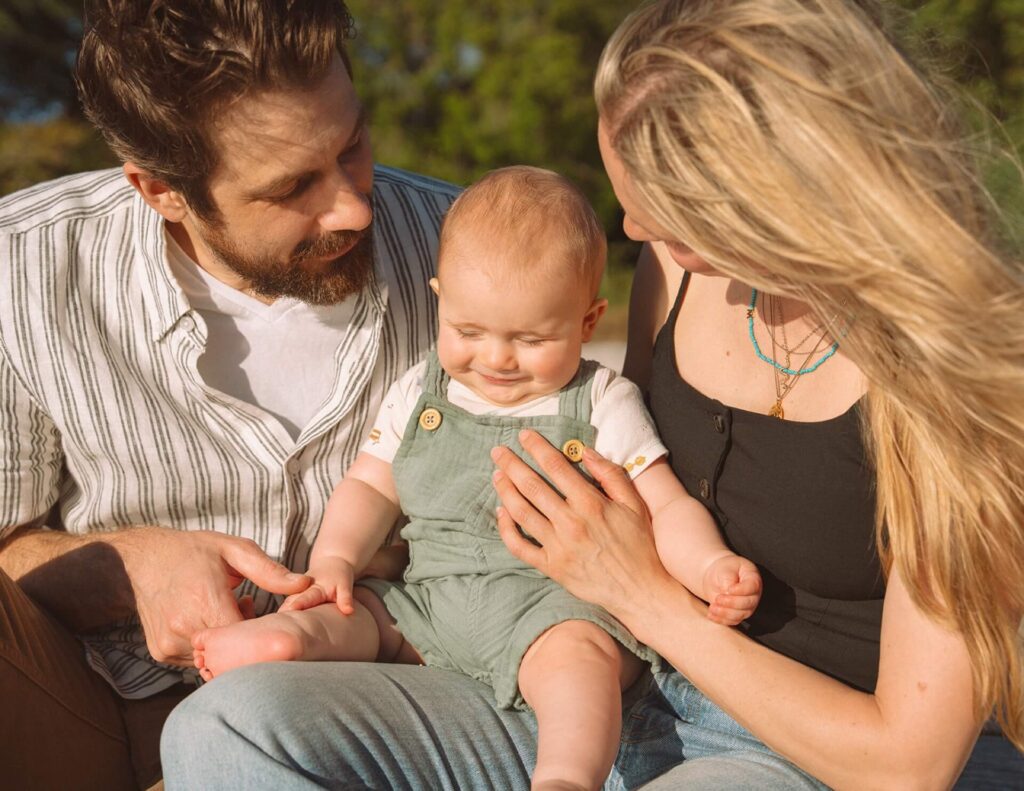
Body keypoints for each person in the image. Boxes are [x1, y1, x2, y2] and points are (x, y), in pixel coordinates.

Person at [161, 1, 1024, 788]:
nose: (637, 233)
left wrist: (643, 594)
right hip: (602, 689)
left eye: (674, 218)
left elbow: (906, 765)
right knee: (230, 729)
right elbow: (615, 455)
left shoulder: (964, 376)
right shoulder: (675, 277)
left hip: (798, 754)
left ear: (780, 193)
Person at [0, 1, 459, 788]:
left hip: (385, 718)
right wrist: (121, 568)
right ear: (159, 189)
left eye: (353, 145)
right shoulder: (24, 270)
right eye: (293, 187)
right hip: (100, 708)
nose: (353, 205)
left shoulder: (467, 243)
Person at [187, 166, 762, 790]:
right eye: (468, 332)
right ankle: (288, 640)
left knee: (581, 664)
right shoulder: (421, 388)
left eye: (531, 338)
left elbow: (665, 503)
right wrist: (335, 561)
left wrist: (707, 566)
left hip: (551, 608)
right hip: (429, 599)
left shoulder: (600, 400)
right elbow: (372, 485)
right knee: (353, 616)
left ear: (589, 322)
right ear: (441, 298)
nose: (495, 359)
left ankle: (567, 775)